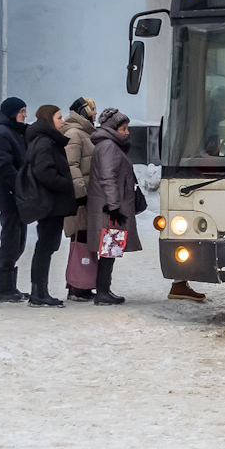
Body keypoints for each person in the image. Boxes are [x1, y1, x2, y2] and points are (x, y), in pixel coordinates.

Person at [88, 108, 143, 305]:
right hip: (109, 207)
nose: (127, 132)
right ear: (113, 129)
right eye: (123, 129)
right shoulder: (109, 147)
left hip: (109, 205)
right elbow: (108, 177)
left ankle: (104, 290)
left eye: (127, 128)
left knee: (110, 250)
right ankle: (102, 292)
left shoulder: (110, 145)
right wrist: (113, 207)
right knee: (109, 249)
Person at [22, 105, 76, 308]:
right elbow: (44, 172)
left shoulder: (47, 140)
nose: (63, 121)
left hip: (52, 202)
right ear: (48, 120)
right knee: (45, 246)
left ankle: (40, 292)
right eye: (59, 117)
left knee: (47, 246)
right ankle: (39, 293)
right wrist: (67, 184)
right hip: (50, 202)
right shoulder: (45, 141)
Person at [0, 97, 29, 303]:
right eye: (21, 111)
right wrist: (20, 186)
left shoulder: (14, 131)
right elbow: (3, 166)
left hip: (18, 194)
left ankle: (10, 287)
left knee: (18, 241)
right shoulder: (1, 133)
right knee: (11, 241)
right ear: (12, 112)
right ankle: (4, 289)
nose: (25, 115)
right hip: (10, 195)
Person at [61, 96, 97, 302]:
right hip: (79, 199)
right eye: (92, 109)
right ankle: (78, 286)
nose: (95, 113)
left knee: (84, 239)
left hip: (86, 197)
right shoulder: (75, 134)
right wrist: (81, 194)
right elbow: (71, 165)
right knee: (80, 240)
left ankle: (82, 283)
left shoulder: (85, 133)